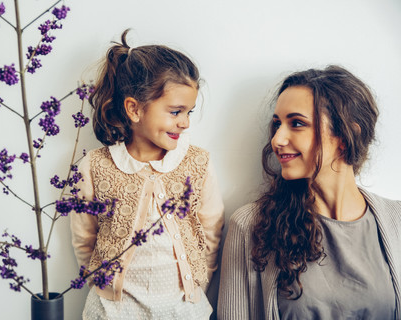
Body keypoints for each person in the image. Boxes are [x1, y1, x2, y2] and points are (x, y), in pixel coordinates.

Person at [217, 65, 401, 319]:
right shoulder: (251, 226)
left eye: (297, 123)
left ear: (346, 136)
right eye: (277, 124)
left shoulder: (397, 221)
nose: (277, 139)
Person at [70, 29, 224, 319]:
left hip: (183, 308)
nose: (185, 123)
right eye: (176, 112)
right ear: (134, 109)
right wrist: (99, 280)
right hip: (113, 309)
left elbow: (211, 228)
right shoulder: (95, 166)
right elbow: (84, 237)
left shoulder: (198, 162)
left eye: (189, 112)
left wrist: (199, 280)